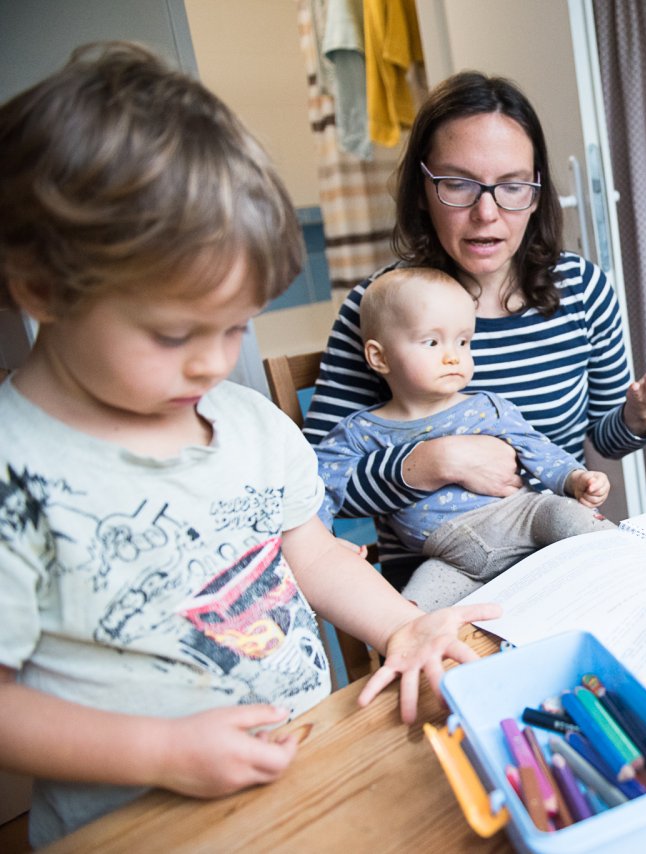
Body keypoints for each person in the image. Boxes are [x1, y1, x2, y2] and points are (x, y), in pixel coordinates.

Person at [0, 43, 500, 846]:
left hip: (305, 775)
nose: (213, 362)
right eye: (174, 334)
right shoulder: (16, 471)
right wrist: (159, 752)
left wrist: (401, 625)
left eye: (234, 326)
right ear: (41, 288)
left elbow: (318, 557)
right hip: (137, 827)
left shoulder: (249, 425)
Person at [303, 71, 646, 592]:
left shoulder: (582, 290)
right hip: (439, 571)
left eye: (512, 186)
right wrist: (430, 462)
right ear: (423, 190)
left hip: (555, 560)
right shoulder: (381, 307)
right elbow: (310, 487)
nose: (487, 213)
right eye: (458, 184)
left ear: (535, 194)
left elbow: (606, 440)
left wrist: (639, 412)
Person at [316, 267, 615, 608]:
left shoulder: (486, 407)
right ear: (379, 357)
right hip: (451, 560)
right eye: (432, 342)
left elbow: (538, 449)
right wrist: (323, 542)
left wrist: (574, 478)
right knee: (410, 613)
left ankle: (633, 566)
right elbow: (316, 484)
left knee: (565, 515)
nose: (453, 356)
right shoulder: (361, 432)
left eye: (463, 342)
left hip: (523, 522)